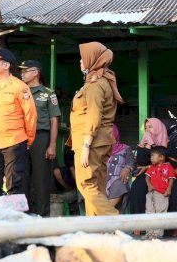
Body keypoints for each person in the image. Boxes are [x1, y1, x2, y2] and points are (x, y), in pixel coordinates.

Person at [70, 41, 124, 216]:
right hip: (101, 141)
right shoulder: (102, 80)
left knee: (86, 185)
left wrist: (86, 146)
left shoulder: (94, 84)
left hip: (91, 142)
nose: (80, 62)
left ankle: (115, 221)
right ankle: (98, 232)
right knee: (97, 188)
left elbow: (94, 115)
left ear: (92, 60)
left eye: (82, 58)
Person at [0, 48, 37, 196]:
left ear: (6, 65)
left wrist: (29, 140)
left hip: (15, 141)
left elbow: (30, 115)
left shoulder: (20, 86)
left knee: (15, 185)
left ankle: (16, 217)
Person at [19, 60, 61, 216]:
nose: (22, 73)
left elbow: (54, 120)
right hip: (20, 138)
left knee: (41, 179)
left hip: (40, 137)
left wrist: (52, 145)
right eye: (21, 71)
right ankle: (24, 215)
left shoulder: (48, 93)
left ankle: (42, 216)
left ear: (35, 72)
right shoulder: (19, 91)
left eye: (25, 71)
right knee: (22, 178)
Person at [130, 118, 169, 214]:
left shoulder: (168, 144)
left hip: (163, 175)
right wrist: (147, 146)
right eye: (146, 128)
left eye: (150, 127)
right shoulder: (143, 144)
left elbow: (168, 163)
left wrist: (148, 167)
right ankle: (137, 226)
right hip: (147, 175)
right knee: (137, 188)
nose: (147, 130)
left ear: (158, 128)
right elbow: (142, 161)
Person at [144, 146, 175, 239]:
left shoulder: (168, 166)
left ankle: (157, 234)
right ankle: (149, 233)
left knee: (160, 212)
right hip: (151, 193)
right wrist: (149, 185)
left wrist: (168, 189)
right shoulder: (152, 167)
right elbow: (147, 177)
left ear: (161, 157)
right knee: (149, 211)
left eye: (153, 156)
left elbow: (171, 179)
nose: (151, 158)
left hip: (162, 194)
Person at [106, 124, 134, 213]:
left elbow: (131, 162)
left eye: (110, 133)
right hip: (102, 179)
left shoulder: (126, 148)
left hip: (117, 178)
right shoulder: (100, 149)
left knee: (119, 185)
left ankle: (104, 213)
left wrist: (127, 168)